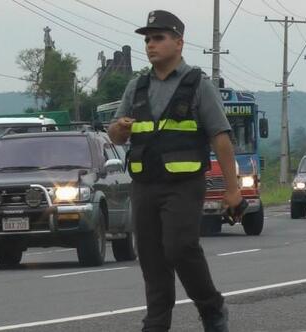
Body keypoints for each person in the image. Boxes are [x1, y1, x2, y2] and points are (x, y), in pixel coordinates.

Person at [108, 10, 242, 332]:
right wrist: (120, 130)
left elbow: (220, 138)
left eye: (158, 38)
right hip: (145, 184)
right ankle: (155, 324)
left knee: (180, 246)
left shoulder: (197, 85)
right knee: (152, 259)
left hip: (184, 184)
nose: (150, 45)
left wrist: (232, 188)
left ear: (178, 42)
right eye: (147, 40)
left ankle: (212, 308)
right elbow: (114, 133)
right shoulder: (137, 87)